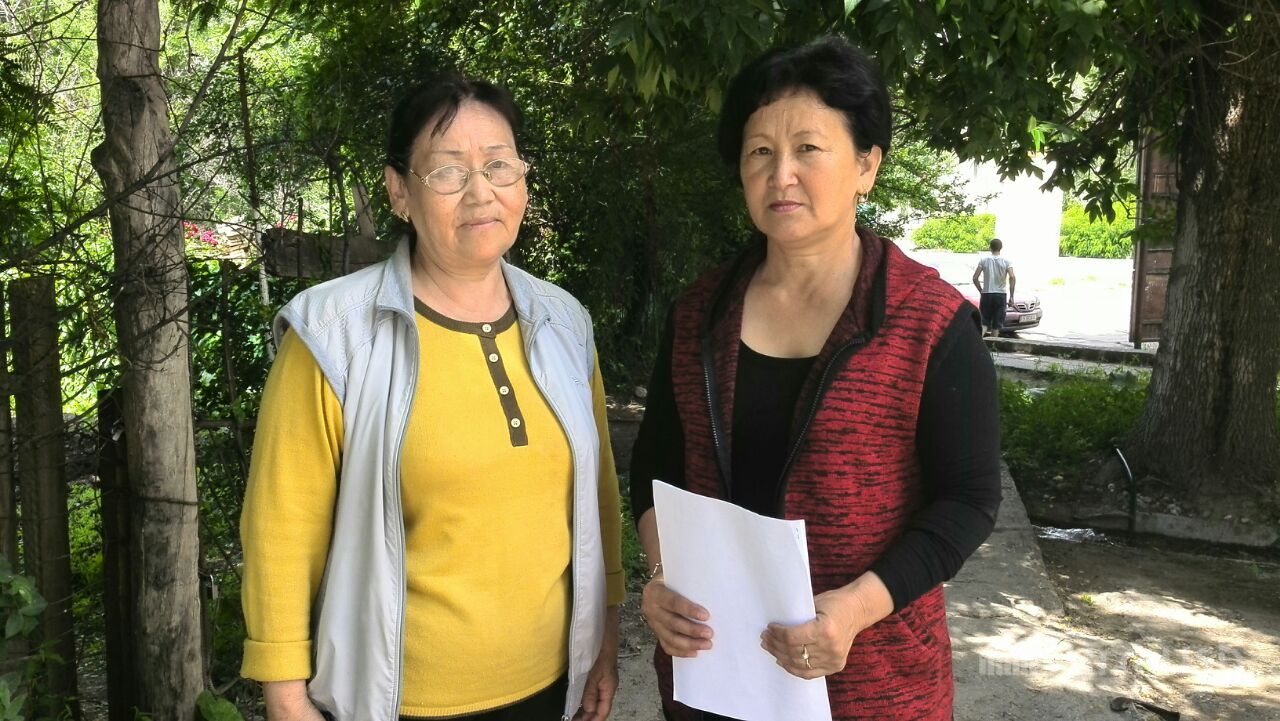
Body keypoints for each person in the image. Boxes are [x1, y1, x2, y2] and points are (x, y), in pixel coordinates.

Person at [629, 37, 1003, 721]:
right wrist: (659, 577)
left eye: (808, 148)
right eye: (760, 152)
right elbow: (656, 465)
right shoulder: (698, 315)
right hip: (714, 676)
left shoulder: (929, 322)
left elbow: (968, 500)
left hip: (873, 687)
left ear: (866, 165)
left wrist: (856, 608)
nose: (782, 175)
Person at [239, 73, 624, 721]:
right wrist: (284, 692)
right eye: (448, 171)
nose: (481, 192)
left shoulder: (564, 322)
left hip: (552, 688)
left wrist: (606, 638)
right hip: (399, 702)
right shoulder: (332, 334)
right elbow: (281, 526)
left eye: (499, 165)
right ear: (399, 192)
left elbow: (600, 494)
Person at [972, 237, 1016, 336]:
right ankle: (993, 344)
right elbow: (1012, 277)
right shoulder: (1006, 261)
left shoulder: (983, 260)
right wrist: (1011, 296)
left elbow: (975, 278)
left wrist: (981, 290)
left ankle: (979, 343)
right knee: (996, 324)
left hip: (986, 294)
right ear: (1001, 247)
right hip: (1000, 295)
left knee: (984, 323)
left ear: (990, 247)